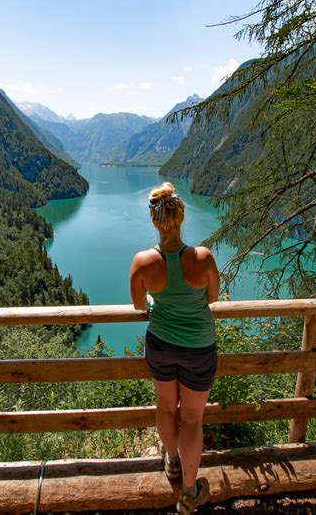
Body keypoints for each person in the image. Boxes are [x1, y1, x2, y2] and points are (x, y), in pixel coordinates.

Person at [129, 182, 219, 514]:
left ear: (155, 220)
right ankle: (191, 491)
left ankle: (171, 462)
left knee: (167, 410)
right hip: (199, 347)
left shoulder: (142, 262)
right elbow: (211, 299)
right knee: (193, 420)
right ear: (180, 216)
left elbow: (140, 305)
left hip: (162, 344)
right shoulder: (203, 258)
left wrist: (155, 298)